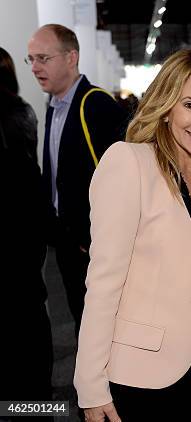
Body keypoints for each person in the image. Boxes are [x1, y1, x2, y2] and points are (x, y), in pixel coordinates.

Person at [73, 49, 191, 422]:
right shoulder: (130, 163)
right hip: (147, 381)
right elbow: (103, 283)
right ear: (167, 106)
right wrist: (90, 385)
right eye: (190, 104)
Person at [27, 24, 128, 335]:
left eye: (43, 58)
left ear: (71, 58)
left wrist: (96, 238)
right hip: (69, 242)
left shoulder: (95, 105)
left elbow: (122, 181)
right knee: (82, 321)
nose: (35, 68)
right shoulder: (54, 106)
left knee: (104, 327)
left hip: (94, 245)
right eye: (30, 59)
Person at [0, 46, 53, 422]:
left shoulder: (17, 115)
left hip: (15, 247)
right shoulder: (24, 113)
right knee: (30, 343)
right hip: (23, 249)